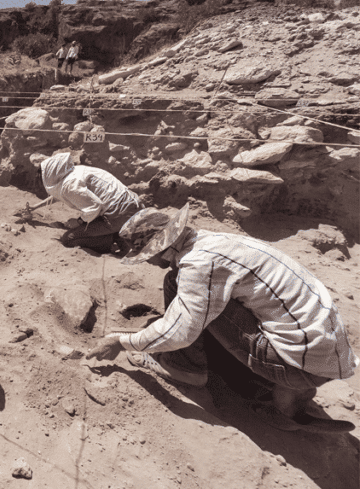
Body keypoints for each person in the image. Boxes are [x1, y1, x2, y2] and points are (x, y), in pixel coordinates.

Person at [86, 204, 359, 432]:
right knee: (187, 286)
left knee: (192, 297)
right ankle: (283, 391)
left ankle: (185, 369)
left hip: (299, 365)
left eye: (145, 255)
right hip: (323, 353)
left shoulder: (200, 265)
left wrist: (123, 343)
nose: (145, 262)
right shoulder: (212, 241)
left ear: (163, 247)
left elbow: (181, 331)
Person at [27, 152, 143, 252]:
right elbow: (59, 194)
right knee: (86, 225)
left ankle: (112, 237)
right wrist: (35, 207)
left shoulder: (70, 184)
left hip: (119, 213)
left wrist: (78, 221)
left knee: (69, 239)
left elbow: (94, 207)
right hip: (130, 204)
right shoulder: (73, 172)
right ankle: (112, 231)